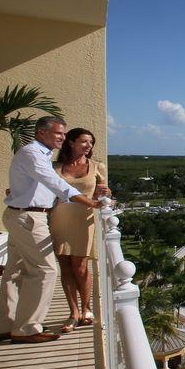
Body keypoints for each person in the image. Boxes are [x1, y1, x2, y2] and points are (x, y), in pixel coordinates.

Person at [0, 117, 101, 344]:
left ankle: (6, 325)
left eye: (63, 134)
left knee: (14, 271)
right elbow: (57, 184)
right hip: (29, 217)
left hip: (21, 214)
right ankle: (26, 329)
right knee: (46, 270)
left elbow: (38, 184)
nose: (62, 138)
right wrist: (91, 203)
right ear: (41, 133)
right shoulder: (33, 154)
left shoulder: (40, 155)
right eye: (58, 134)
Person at [50, 127, 110, 332]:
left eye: (91, 143)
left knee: (81, 267)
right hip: (59, 218)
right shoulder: (55, 167)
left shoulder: (96, 167)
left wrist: (106, 192)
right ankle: (73, 312)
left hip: (84, 219)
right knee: (65, 267)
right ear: (71, 142)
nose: (89, 146)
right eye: (84, 141)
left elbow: (104, 194)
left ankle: (86, 309)